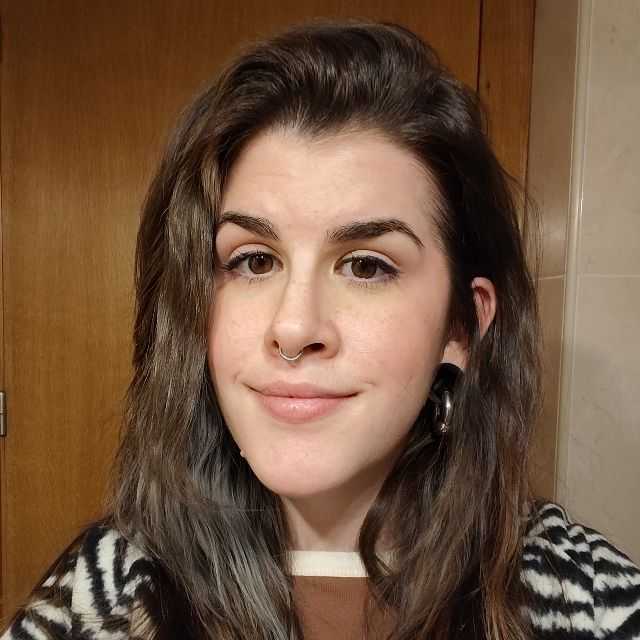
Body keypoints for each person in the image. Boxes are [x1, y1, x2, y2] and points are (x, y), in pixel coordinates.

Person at [2, 18, 639, 640]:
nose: (294, 326)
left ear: (462, 325)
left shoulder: (580, 599)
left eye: (366, 266)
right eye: (254, 261)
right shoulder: (102, 601)